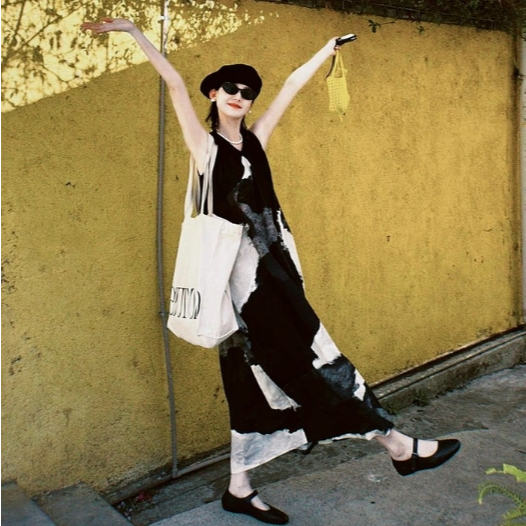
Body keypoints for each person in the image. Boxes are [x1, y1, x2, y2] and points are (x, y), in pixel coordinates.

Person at [81, 18, 461, 525]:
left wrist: (326, 50)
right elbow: (172, 82)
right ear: (213, 94)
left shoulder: (255, 141)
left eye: (248, 92)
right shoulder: (205, 148)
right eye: (230, 88)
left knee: (251, 379)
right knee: (317, 360)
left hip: (273, 278)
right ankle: (397, 445)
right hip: (243, 290)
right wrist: (133, 31)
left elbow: (291, 88)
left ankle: (239, 488)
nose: (240, 97)